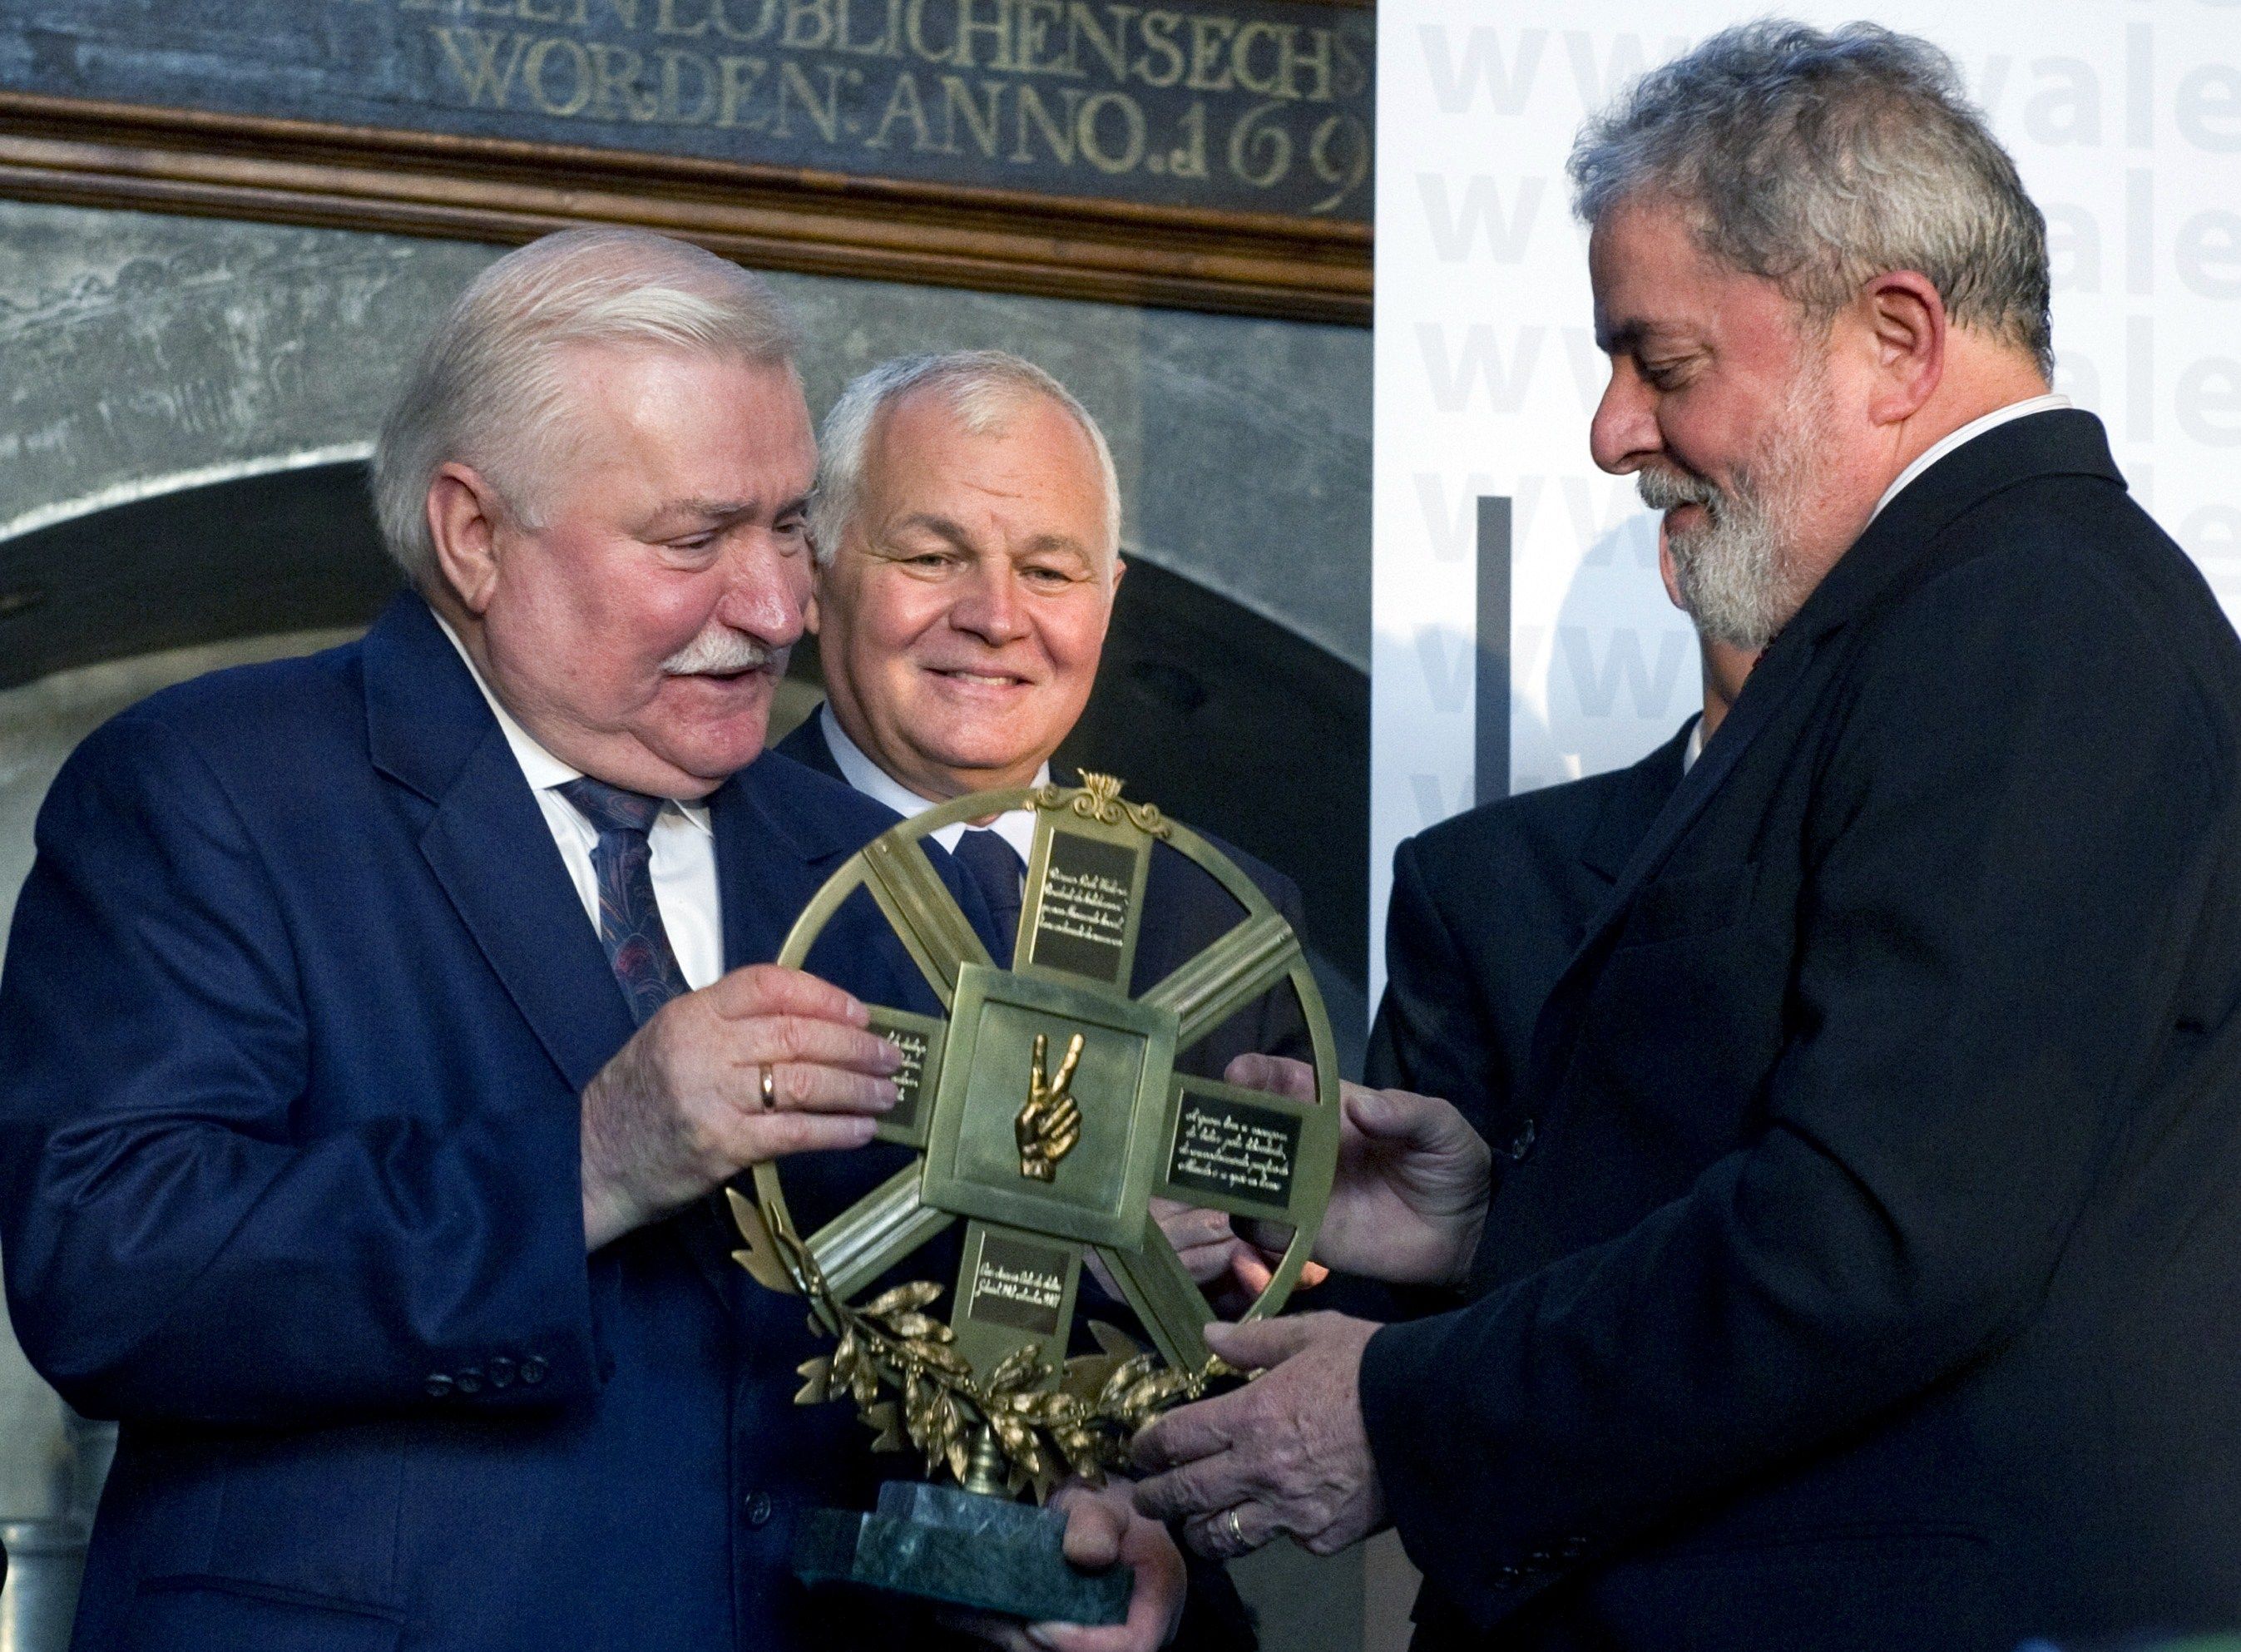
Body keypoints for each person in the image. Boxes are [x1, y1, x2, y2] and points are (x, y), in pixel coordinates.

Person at [1130, 22, 2241, 1652]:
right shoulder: (1939, 623)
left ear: (1892, 338)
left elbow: (1878, 1237)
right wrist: (1494, 1227)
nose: (1610, 432)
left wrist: (1407, 1410)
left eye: (1662, 362)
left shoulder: (2030, 625)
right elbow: (1861, 1153)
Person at [0, 230, 1180, 1652]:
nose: (773, 608)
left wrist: (1034, 1531)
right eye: (693, 540)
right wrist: (592, 1158)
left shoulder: (865, 870)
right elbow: (113, 1276)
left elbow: (883, 1361)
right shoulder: (215, 790)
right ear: (474, 535)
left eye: (787, 526)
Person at [779, 350, 1313, 1284]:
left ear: (1108, 602)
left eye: (1049, 572)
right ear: (814, 577)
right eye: (933, 558)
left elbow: (1291, 1294)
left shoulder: (1227, 920)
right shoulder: (686, 866)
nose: (995, 616)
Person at [1367, 538, 1757, 1150]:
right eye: (1774, 552)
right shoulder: (1479, 891)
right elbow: (1410, 1222)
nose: (1819, 601)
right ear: (1682, 562)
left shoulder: (1951, 867)